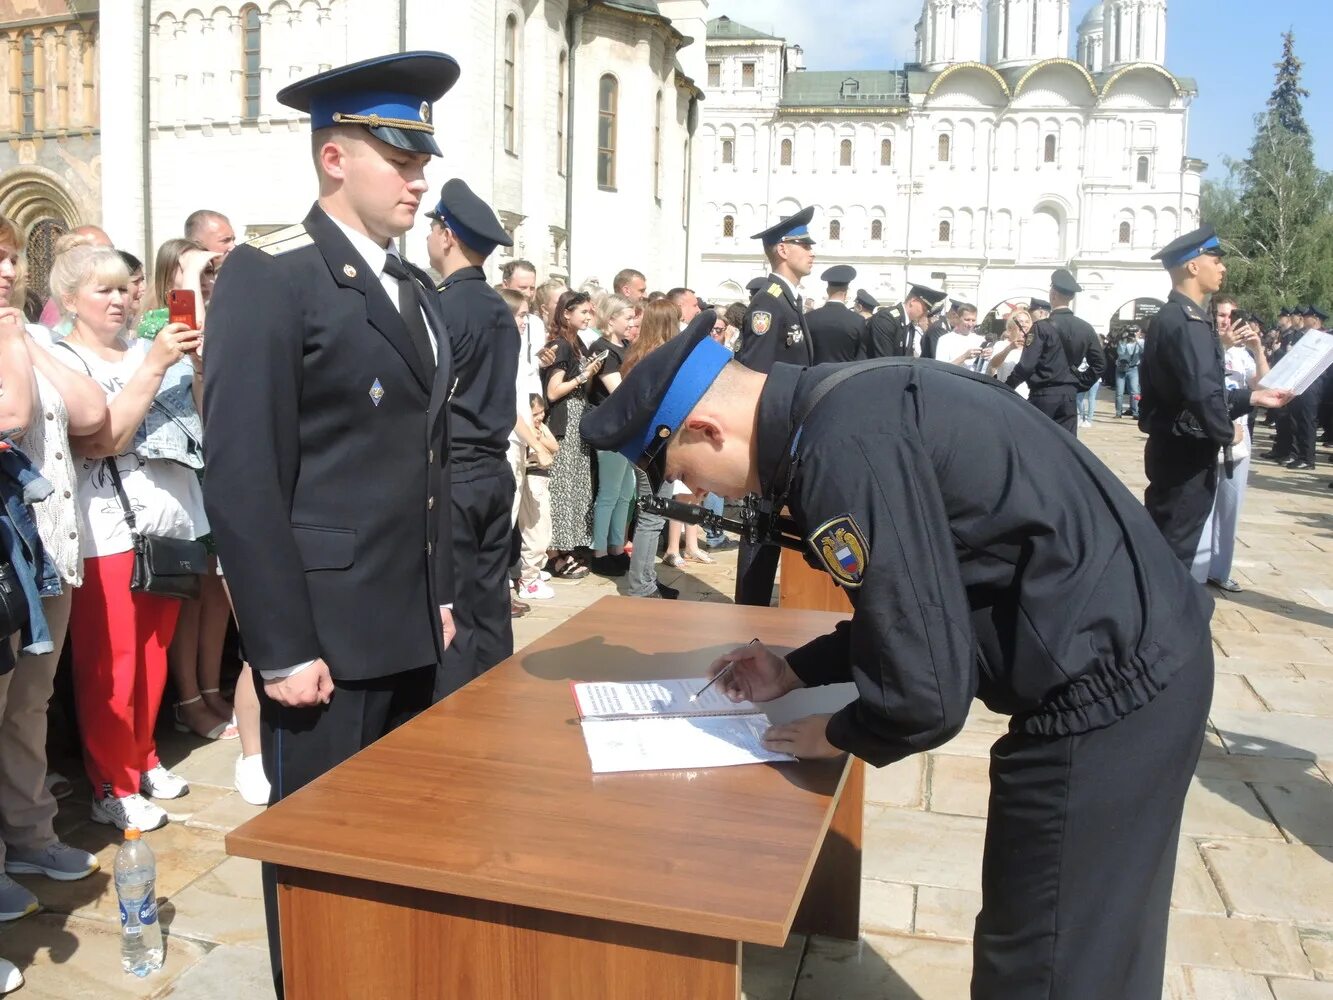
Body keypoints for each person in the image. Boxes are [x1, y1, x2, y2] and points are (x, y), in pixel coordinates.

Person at [580, 317, 1221, 1000]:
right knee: (1094, 946)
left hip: (1107, 690)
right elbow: (924, 605)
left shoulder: (839, 451)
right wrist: (799, 668)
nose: (703, 496)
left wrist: (840, 733)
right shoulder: (844, 403)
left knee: (1044, 957)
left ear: (709, 429)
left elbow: (927, 693)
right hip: (1137, 653)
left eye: (686, 474)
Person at [200, 53, 461, 998]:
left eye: (422, 156)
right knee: (317, 859)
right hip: (321, 642)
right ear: (335, 156)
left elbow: (417, 469)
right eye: (400, 156)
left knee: (394, 843)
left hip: (403, 624)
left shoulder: (414, 291)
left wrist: (435, 596)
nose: (420, 177)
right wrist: (277, 647)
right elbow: (241, 477)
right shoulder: (275, 278)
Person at [54, 245, 208, 831]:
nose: (119, 300)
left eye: (124, 289)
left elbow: (189, 421)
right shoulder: (65, 358)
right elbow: (104, 439)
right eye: (103, 290)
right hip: (106, 528)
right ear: (70, 301)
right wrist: (155, 367)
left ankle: (141, 758)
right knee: (110, 667)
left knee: (151, 655)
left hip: (164, 521)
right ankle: (110, 784)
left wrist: (190, 370)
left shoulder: (145, 348)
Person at [0, 218, 105, 927]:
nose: (7, 271)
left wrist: (26, 339)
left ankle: (30, 835)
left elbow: (94, 412)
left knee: (28, 707)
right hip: (5, 563)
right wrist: (12, 342)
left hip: (47, 550)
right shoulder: (12, 341)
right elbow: (11, 411)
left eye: (10, 258)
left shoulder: (28, 336)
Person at [1139, 225, 1289, 565]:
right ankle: (1165, 617)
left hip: (1175, 449)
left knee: (1168, 544)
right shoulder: (1186, 322)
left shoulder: (1175, 317)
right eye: (1216, 260)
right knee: (1173, 553)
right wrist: (1225, 430)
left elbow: (1198, 391)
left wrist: (1252, 399)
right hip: (1187, 456)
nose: (1222, 268)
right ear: (1193, 266)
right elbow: (1200, 393)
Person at [427, 179, 519, 700]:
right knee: (489, 602)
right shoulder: (496, 309)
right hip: (492, 469)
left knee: (452, 608)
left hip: (455, 471)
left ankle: (454, 714)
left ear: (445, 234)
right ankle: (493, 703)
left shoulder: (443, 306)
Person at [142, 237, 235, 742]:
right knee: (192, 592)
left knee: (218, 589)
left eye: (211, 276)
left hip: (216, 465)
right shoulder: (159, 327)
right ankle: (189, 698)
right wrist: (188, 284)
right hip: (183, 474)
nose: (208, 284)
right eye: (198, 276)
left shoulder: (223, 318)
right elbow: (192, 347)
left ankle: (211, 688)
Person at [734, 207, 816, 607]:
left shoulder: (789, 301)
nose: (812, 251)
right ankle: (749, 612)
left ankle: (757, 608)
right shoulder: (769, 304)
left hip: (787, 431)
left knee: (769, 527)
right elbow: (755, 375)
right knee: (759, 525)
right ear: (782, 249)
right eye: (805, 243)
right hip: (772, 434)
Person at [1199, 300, 1269, 591]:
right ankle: (1196, 570)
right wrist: (1222, 345)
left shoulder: (1242, 354)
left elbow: (1264, 386)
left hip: (1239, 435)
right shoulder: (1202, 345)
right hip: (1207, 431)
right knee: (1201, 503)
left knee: (1230, 503)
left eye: (1232, 315)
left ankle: (1220, 567)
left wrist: (1258, 350)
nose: (1227, 320)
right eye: (1221, 314)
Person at [620, 298, 684, 601]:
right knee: (652, 516)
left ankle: (647, 578)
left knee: (652, 513)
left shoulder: (636, 354)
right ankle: (641, 585)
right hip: (655, 445)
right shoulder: (663, 357)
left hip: (642, 443)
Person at [541, 290, 601, 578]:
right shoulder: (561, 345)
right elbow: (553, 392)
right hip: (563, 426)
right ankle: (555, 554)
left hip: (576, 424)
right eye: (583, 312)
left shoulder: (575, 343)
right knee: (560, 491)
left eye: (590, 312)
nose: (589, 316)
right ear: (567, 313)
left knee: (574, 489)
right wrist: (582, 376)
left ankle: (566, 548)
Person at [1005, 269, 1105, 435]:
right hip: (1069, 397)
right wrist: (1079, 384)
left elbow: (1027, 366)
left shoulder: (1041, 327)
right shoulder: (1085, 328)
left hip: (1043, 395)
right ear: (1071, 297)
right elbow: (1100, 364)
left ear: (1052, 294)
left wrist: (1007, 386)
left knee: (1037, 445)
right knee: (1066, 448)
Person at [587, 294, 637, 576]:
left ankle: (617, 546)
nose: (631, 323)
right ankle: (600, 550)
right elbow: (618, 390)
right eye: (627, 318)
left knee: (625, 492)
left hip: (626, 428)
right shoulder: (602, 348)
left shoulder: (627, 346)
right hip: (610, 427)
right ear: (610, 319)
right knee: (609, 491)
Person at [1284, 305, 1326, 470]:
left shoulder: (1324, 337)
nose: (1303, 318)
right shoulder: (1305, 335)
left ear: (1315, 319)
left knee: (1308, 420)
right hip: (1301, 381)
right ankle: (1300, 454)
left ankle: (1308, 458)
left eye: (1307, 316)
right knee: (1298, 419)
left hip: (1314, 383)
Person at [807, 265, 868, 363]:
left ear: (827, 290)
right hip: (845, 376)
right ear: (846, 292)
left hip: (815, 375)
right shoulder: (857, 320)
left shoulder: (809, 318)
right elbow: (861, 358)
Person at [866, 284, 946, 359]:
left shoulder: (909, 325)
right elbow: (884, 359)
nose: (925, 314)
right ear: (913, 301)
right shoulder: (886, 319)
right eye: (924, 309)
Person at [986, 308, 1032, 396]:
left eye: (1027, 322)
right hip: (1005, 394)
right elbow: (993, 365)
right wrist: (1010, 348)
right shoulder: (1001, 345)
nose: (1024, 325)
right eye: (1020, 321)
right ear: (1011, 327)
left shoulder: (1032, 348)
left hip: (1026, 398)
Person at [933, 302, 987, 370]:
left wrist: (988, 357)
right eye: (967, 320)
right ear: (958, 318)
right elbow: (940, 368)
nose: (970, 324)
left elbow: (984, 369)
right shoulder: (945, 340)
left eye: (973, 320)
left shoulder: (980, 340)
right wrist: (964, 357)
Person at [1113, 324, 1144, 418]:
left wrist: (1137, 340)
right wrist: (1124, 340)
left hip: (1133, 369)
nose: (1132, 334)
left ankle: (1136, 412)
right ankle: (1118, 412)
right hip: (1121, 368)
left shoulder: (1141, 341)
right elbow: (1120, 353)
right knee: (1119, 392)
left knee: (1135, 391)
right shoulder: (1123, 341)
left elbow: (1144, 351)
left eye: (1134, 332)